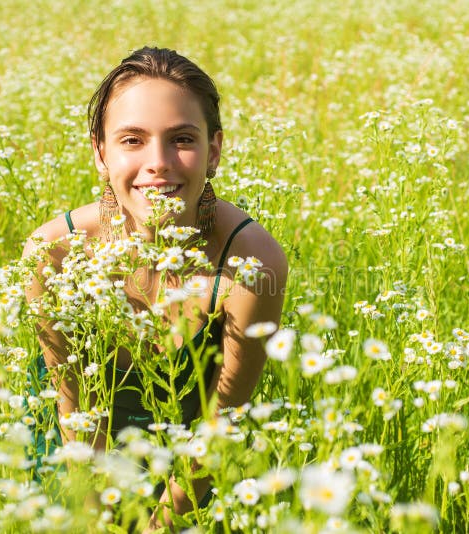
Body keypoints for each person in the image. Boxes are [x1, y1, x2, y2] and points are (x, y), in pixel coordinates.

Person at [22, 46, 287, 530]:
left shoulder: (251, 263)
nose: (158, 163)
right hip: (76, 458)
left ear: (214, 151)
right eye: (132, 140)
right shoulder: (54, 254)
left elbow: (223, 422)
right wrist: (96, 515)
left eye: (182, 139)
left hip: (193, 475)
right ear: (100, 154)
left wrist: (159, 526)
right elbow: (72, 405)